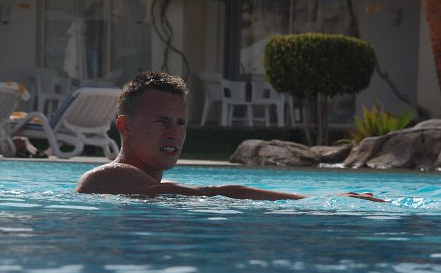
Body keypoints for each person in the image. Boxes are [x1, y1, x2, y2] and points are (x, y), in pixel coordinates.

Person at [75, 71, 385, 202]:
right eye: (161, 121)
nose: (174, 132)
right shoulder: (107, 177)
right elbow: (215, 193)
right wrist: (319, 201)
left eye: (181, 122)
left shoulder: (147, 188)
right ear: (125, 127)